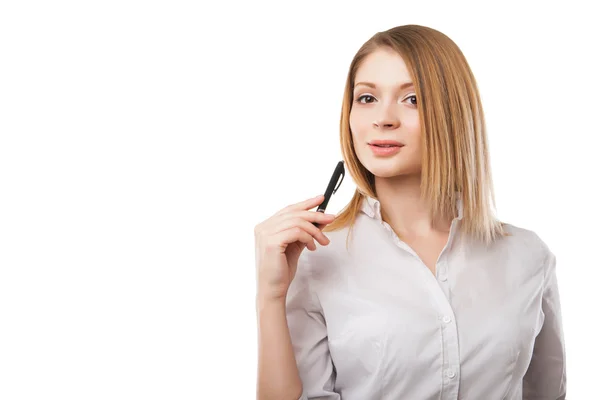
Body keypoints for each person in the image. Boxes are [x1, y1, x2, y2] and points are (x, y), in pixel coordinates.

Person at [254, 24, 566, 400]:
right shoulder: (316, 256)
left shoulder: (527, 256)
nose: (383, 118)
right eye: (366, 98)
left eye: (413, 99)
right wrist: (270, 297)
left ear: (453, 113)